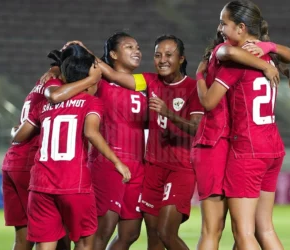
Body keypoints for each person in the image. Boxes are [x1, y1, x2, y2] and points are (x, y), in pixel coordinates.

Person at [68, 34, 204, 250]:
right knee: (118, 230)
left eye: (169, 54)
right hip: (123, 165)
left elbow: (187, 126)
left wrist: (168, 117)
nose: (162, 59)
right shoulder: (125, 82)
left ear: (181, 58)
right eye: (158, 55)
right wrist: (75, 58)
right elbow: (102, 74)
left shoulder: (170, 87)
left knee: (143, 233)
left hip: (155, 168)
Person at [195, 1, 290, 250]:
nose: (220, 28)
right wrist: (267, 54)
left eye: (225, 23)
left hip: (248, 150)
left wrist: (200, 76)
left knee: (243, 233)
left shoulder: (237, 60)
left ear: (241, 27)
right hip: (273, 147)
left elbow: (209, 101)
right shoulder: (268, 55)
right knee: (264, 228)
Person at [12, 53, 131, 250]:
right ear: (89, 80)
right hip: (74, 184)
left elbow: (19, 135)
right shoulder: (91, 102)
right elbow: (91, 133)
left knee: (45, 246)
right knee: (85, 243)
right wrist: (117, 161)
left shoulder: (44, 103)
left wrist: (14, 131)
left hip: (40, 185)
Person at [42, 32, 147, 250]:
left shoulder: (143, 85)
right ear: (113, 54)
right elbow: (78, 70)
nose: (136, 51)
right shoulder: (99, 84)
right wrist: (57, 68)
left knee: (130, 233)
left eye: (137, 47)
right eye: (129, 47)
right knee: (102, 231)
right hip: (109, 163)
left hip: (138, 165)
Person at [1, 48, 101, 250]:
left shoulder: (40, 84)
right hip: (33, 165)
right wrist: (91, 80)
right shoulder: (56, 86)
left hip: (15, 160)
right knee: (55, 235)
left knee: (24, 240)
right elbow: (55, 97)